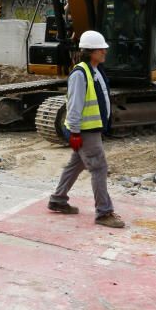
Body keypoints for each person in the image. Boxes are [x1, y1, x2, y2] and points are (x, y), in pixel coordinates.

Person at [47, 30, 125, 228]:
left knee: (77, 164)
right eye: (102, 49)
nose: (105, 52)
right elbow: (74, 106)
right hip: (85, 131)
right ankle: (104, 213)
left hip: (91, 129)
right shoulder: (80, 73)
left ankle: (58, 199)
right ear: (91, 51)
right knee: (99, 168)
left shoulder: (95, 70)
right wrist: (74, 132)